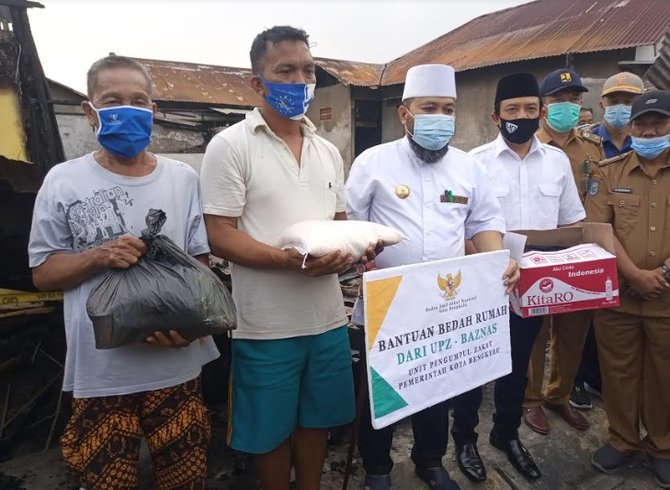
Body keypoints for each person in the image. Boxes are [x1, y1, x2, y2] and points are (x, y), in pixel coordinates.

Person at [28, 55, 219, 490]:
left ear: (152, 110)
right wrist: (98, 256)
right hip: (102, 373)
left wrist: (192, 326)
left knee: (186, 479)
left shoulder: (183, 178)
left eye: (138, 100)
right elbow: (43, 273)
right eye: (112, 100)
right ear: (89, 110)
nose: (127, 109)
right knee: (107, 481)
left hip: (177, 366)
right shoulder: (63, 180)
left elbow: (199, 264)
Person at [199, 26, 361, 490]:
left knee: (316, 421)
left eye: (307, 70)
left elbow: (337, 224)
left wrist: (353, 248)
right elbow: (219, 235)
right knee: (269, 431)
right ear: (257, 82)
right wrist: (285, 260)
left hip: (328, 319)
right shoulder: (231, 145)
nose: (299, 80)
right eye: (285, 70)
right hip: (265, 327)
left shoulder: (328, 150)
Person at [346, 63, 519, 490]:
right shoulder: (373, 162)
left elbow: (484, 223)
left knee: (437, 387)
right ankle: (377, 468)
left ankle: (430, 460)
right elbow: (352, 225)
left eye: (448, 108)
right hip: (388, 304)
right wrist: (362, 256)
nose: (440, 117)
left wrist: (499, 262)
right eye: (429, 107)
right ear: (405, 114)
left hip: (445, 304)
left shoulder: (467, 168)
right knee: (380, 391)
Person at [450, 73, 585, 483]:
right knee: (474, 367)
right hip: (484, 285)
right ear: (496, 116)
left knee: (516, 366)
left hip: (534, 286)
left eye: (530, 109)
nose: (521, 117)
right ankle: (465, 439)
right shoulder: (473, 163)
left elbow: (572, 224)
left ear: (541, 112)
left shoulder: (558, 162)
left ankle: (506, 435)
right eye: (512, 110)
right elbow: (460, 227)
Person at [585, 90, 670, 489]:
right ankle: (623, 440)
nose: (649, 130)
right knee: (617, 372)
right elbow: (599, 230)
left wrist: (662, 273)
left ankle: (662, 446)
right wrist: (634, 274)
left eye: (659, 123)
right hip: (618, 293)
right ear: (631, 126)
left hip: (667, 299)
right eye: (642, 123)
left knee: (663, 375)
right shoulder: (609, 171)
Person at [523, 68, 604, 436]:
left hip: (580, 253)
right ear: (543, 107)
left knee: (573, 332)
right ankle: (532, 399)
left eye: (573, 100)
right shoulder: (529, 144)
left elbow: (597, 201)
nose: (567, 107)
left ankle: (560, 394)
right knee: (535, 332)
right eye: (559, 100)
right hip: (539, 251)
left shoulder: (592, 148)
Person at [570, 71, 645, 411]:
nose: (622, 108)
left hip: (637, 241)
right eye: (615, 101)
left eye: (629, 101)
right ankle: (580, 378)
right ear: (602, 104)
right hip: (590, 239)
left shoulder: (649, 143)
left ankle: (610, 380)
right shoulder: (587, 143)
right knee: (586, 318)